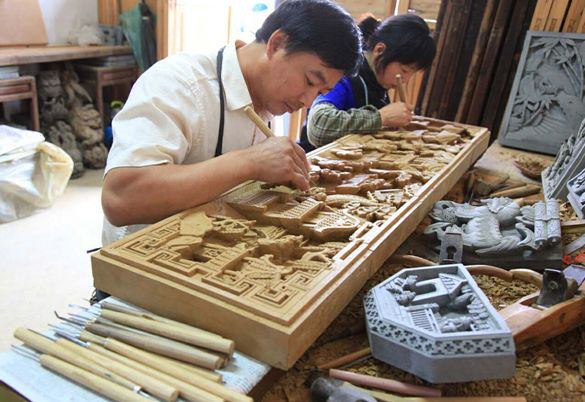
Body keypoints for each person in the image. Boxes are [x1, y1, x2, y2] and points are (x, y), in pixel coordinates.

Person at [100, 0, 362, 245]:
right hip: (149, 255)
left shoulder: (269, 97)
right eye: (310, 81)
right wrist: (250, 162)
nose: (307, 101)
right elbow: (121, 199)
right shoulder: (180, 83)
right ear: (277, 44)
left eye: (319, 92)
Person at [298, 13, 436, 152]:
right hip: (312, 161)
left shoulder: (378, 83)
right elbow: (319, 127)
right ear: (379, 50)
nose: (405, 80)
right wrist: (381, 117)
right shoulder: (344, 75)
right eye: (404, 70)